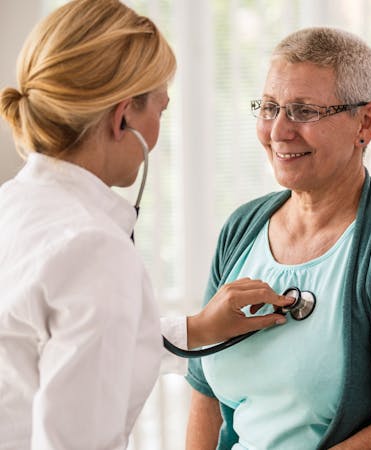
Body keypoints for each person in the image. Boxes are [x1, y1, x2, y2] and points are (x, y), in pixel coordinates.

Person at [0, 1, 293, 449]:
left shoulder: (13, 205)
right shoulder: (93, 248)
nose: (157, 132)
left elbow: (56, 348)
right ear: (123, 118)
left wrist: (196, 329)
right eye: (160, 109)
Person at [185, 27, 371, 450]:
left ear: (366, 123)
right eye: (269, 107)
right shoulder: (242, 228)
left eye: (303, 111)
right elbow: (203, 391)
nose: (278, 131)